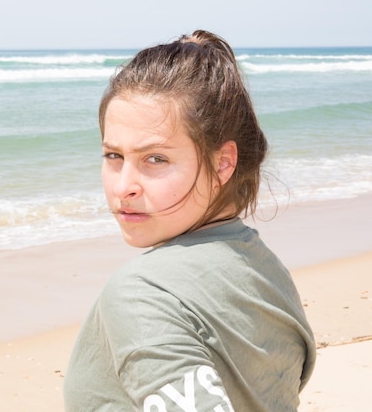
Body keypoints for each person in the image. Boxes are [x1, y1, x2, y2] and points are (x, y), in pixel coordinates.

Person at [63, 30, 315, 412]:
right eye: (113, 156)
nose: (124, 186)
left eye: (156, 159)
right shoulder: (268, 273)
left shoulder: (143, 292)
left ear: (222, 163)